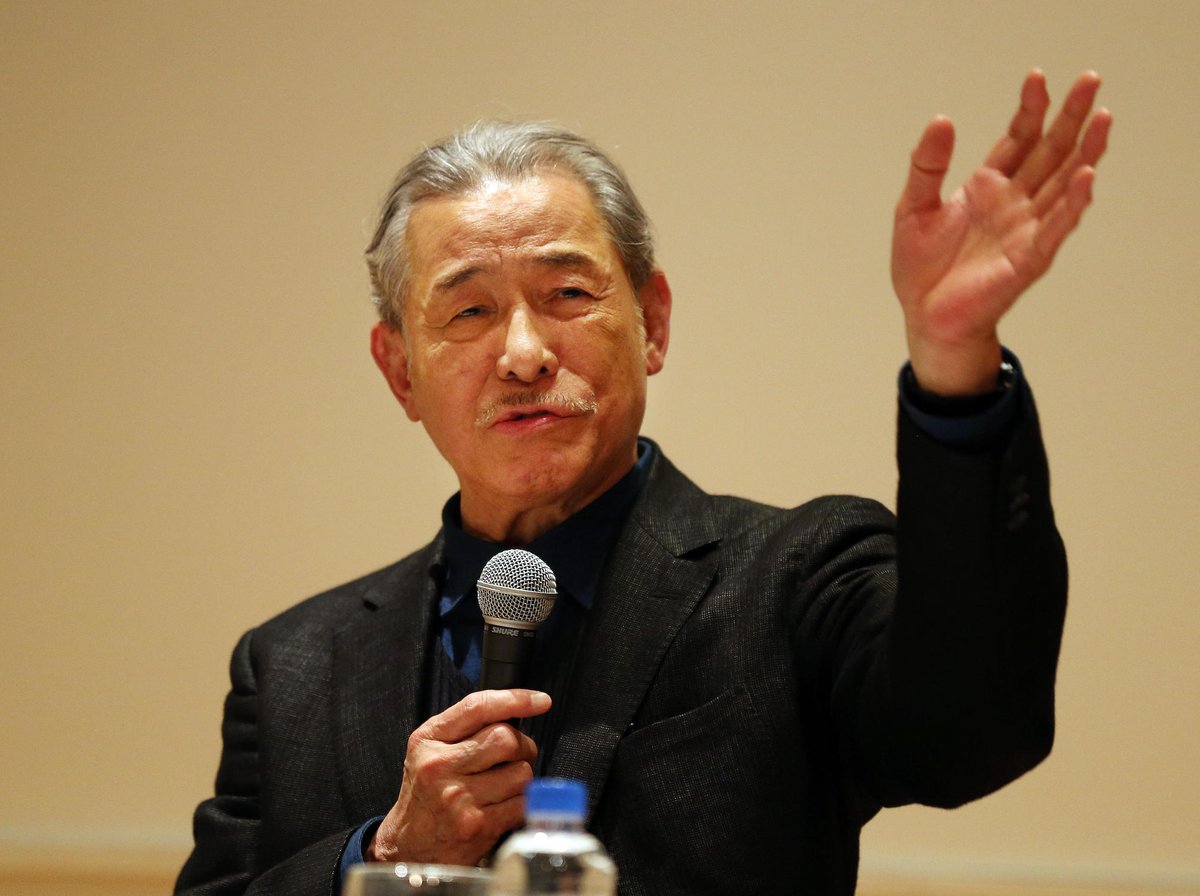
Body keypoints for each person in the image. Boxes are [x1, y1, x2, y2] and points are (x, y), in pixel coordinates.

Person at [176, 70, 1111, 896]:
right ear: (399, 372)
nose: (525, 354)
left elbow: (967, 732)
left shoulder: (794, 578)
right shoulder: (295, 664)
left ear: (653, 321)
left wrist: (954, 366)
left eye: (569, 294)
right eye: (468, 310)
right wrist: (381, 856)